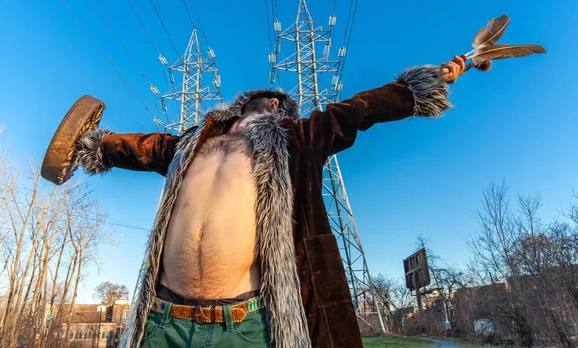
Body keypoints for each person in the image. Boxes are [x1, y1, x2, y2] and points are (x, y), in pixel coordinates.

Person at [76, 56, 466, 347]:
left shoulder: (296, 141)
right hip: (162, 323)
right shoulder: (191, 143)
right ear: (243, 104)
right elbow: (144, 148)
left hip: (244, 326)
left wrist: (422, 85)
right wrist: (96, 144)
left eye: (280, 102)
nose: (275, 103)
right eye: (269, 98)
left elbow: (354, 112)